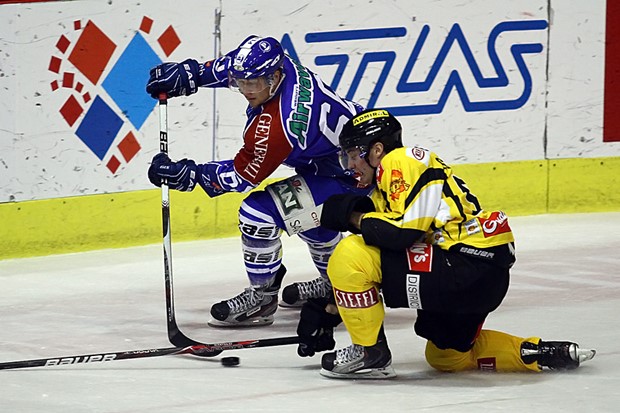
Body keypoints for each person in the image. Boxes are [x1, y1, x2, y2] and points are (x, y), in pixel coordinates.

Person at [295, 108, 596, 378]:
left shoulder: (398, 160)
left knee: (349, 253)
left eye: (353, 153)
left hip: (463, 264)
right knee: (447, 357)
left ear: (376, 150)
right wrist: (334, 307)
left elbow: (402, 235)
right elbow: (390, 252)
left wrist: (353, 218)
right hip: (478, 275)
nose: (349, 163)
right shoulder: (385, 189)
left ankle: (369, 352)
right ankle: (540, 353)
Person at [145, 35, 370, 327]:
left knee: (258, 212)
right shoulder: (281, 66)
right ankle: (336, 284)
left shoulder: (278, 125)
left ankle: (262, 300)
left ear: (274, 77)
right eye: (242, 82)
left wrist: (190, 175)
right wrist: (191, 76)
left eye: (253, 84)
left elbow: (241, 176)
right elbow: (230, 69)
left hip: (353, 175)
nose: (245, 90)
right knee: (310, 216)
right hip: (343, 163)